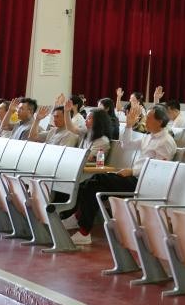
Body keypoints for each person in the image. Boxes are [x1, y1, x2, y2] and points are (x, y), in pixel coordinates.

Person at [69, 103, 176, 245]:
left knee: (97, 180)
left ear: (160, 121)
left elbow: (158, 169)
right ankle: (82, 226)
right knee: (91, 185)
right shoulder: (148, 137)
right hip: (135, 177)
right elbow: (126, 145)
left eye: (149, 118)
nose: (145, 120)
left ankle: (80, 223)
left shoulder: (166, 141)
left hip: (144, 183)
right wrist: (129, 126)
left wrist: (132, 171)